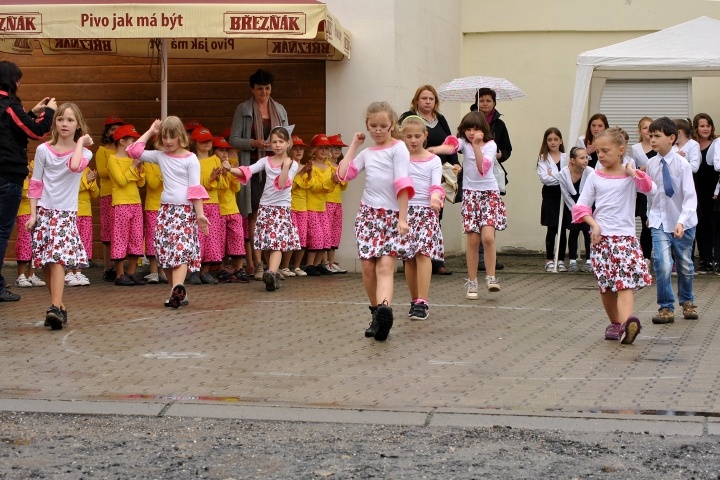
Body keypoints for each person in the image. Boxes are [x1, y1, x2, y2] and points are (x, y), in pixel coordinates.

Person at [336, 101, 414, 342]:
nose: (378, 130)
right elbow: (342, 175)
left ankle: (385, 308)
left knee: (385, 267)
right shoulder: (366, 153)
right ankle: (377, 315)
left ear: (392, 124)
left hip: (391, 216)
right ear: (367, 127)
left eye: (383, 125)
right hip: (368, 216)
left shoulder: (398, 148)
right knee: (368, 268)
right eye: (373, 126)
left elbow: (402, 183)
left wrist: (402, 218)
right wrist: (354, 146)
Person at [571, 127, 653, 344]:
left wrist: (633, 173)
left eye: (606, 151)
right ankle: (615, 322)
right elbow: (581, 208)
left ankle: (627, 325)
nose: (601, 155)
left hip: (625, 239)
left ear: (621, 150)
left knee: (624, 284)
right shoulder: (595, 177)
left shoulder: (629, 177)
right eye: (598, 152)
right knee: (606, 286)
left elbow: (650, 188)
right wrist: (594, 226)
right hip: (602, 239)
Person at [126, 117, 210, 309]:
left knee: (180, 251)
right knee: (163, 253)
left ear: (181, 136)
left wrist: (199, 214)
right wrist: (150, 130)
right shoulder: (159, 156)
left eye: (172, 136)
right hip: (165, 211)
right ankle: (178, 293)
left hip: (184, 211)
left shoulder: (191, 159)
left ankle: (178, 287)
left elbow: (195, 187)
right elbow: (133, 151)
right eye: (164, 136)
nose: (168, 141)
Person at [26, 102, 93, 329]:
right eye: (61, 119)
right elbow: (35, 183)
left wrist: (81, 142)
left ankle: (54, 308)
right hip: (44, 211)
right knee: (45, 261)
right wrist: (33, 214)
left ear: (78, 125)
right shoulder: (44, 149)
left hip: (65, 214)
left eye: (70, 120)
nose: (65, 124)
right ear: (55, 122)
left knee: (56, 258)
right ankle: (59, 306)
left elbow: (75, 167)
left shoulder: (85, 152)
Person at [430, 111, 507, 299]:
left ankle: (490, 277)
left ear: (483, 130)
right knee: (472, 240)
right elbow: (450, 148)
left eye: (476, 129)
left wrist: (476, 146)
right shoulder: (463, 142)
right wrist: (431, 150)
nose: (472, 133)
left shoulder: (490, 145)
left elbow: (483, 168)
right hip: (470, 194)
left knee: (488, 237)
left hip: (489, 194)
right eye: (468, 129)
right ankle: (472, 283)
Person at [0, 60, 55, 302]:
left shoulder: (9, 107)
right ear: (11, 80)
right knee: (2, 232)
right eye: (18, 79)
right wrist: (50, 111)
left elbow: (17, 125)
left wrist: (31, 112)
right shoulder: (9, 105)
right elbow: (36, 131)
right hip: (8, 175)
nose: (20, 83)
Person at [229, 69, 289, 281]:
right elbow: (233, 139)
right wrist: (253, 143)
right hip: (254, 165)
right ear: (252, 89)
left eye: (267, 88)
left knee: (275, 215)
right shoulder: (243, 109)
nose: (264, 92)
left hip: (275, 166)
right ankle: (257, 264)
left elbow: (286, 136)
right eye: (260, 89)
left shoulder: (279, 109)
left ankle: (273, 265)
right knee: (255, 213)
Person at [226, 126, 300, 292]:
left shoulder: (292, 164)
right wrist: (230, 169)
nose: (277, 145)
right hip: (266, 208)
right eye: (274, 142)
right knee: (267, 243)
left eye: (281, 141)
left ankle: (272, 272)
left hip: (281, 209)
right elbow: (248, 170)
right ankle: (271, 274)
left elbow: (282, 184)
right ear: (269, 144)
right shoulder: (265, 161)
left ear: (288, 143)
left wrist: (286, 166)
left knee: (277, 244)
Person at [400, 85, 458, 275]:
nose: (427, 101)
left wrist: (455, 163)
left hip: (437, 171)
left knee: (435, 214)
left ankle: (436, 259)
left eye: (431, 99)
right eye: (424, 98)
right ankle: (410, 257)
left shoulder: (440, 119)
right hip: (412, 173)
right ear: (417, 100)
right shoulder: (408, 118)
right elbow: (400, 142)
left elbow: (450, 143)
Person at [646, 117, 699, 324]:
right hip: (659, 221)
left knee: (685, 265)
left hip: (682, 222)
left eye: (657, 136)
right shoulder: (651, 164)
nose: (652, 140)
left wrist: (682, 221)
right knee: (662, 264)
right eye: (650, 136)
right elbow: (652, 194)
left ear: (671, 138)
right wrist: (651, 215)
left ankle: (687, 301)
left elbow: (689, 196)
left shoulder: (682, 164)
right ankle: (665, 307)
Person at [399, 116, 445, 321]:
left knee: (423, 255)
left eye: (417, 136)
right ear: (402, 137)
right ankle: (414, 299)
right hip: (404, 211)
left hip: (426, 212)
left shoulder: (433, 160)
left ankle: (423, 301)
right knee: (409, 258)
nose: (413, 140)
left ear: (425, 136)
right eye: (408, 136)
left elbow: (436, 185)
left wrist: (436, 198)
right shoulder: (399, 158)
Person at [470, 88, 511, 271]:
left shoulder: (499, 124)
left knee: (489, 217)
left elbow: (508, 149)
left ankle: (488, 256)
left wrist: (500, 154)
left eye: (488, 100)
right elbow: (461, 146)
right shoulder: (470, 121)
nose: (485, 103)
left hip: (492, 174)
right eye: (482, 100)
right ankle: (477, 257)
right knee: (475, 219)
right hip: (474, 176)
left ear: (494, 103)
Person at [107, 124, 147, 287]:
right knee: (120, 237)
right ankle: (119, 273)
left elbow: (141, 182)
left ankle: (131, 272)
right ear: (122, 141)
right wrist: (133, 167)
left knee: (136, 237)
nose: (134, 142)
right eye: (132, 139)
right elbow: (121, 181)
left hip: (135, 202)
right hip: (121, 203)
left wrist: (138, 168)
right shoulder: (113, 159)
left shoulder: (133, 159)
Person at [190, 127, 224, 285]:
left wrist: (215, 180)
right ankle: (194, 272)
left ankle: (205, 271)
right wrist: (209, 180)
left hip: (214, 203)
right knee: (196, 239)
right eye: (203, 141)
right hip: (198, 205)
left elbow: (221, 184)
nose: (207, 143)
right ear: (195, 142)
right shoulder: (191, 159)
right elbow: (193, 185)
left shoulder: (216, 160)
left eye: (209, 140)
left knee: (211, 238)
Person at [95, 115, 125, 282]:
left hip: (122, 196)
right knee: (108, 233)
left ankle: (121, 265)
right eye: (112, 129)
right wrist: (118, 167)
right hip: (108, 195)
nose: (115, 132)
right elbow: (102, 172)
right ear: (107, 132)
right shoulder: (102, 151)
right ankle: (108, 267)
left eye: (118, 129)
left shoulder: (125, 149)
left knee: (120, 232)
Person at [214, 135, 248, 283]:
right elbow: (219, 188)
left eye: (226, 150)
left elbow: (236, 187)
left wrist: (231, 172)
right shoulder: (213, 168)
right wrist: (220, 175)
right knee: (220, 242)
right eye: (220, 150)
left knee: (237, 239)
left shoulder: (231, 167)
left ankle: (238, 269)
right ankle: (222, 269)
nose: (224, 153)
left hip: (233, 210)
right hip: (219, 210)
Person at [536, 127, 568, 272]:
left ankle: (561, 259)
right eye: (550, 140)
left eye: (556, 139)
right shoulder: (543, 158)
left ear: (560, 141)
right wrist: (562, 176)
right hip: (550, 195)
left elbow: (571, 177)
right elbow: (546, 179)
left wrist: (555, 175)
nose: (553, 142)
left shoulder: (567, 157)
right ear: (546, 141)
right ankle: (549, 259)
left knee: (562, 229)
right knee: (552, 228)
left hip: (564, 194)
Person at [303, 134, 335, 276]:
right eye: (320, 148)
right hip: (311, 206)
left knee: (326, 237)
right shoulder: (310, 166)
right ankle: (309, 265)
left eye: (326, 148)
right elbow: (314, 187)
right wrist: (330, 183)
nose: (323, 151)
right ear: (314, 150)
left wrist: (331, 183)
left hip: (323, 206)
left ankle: (317, 265)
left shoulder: (328, 166)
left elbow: (330, 188)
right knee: (316, 237)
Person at [558, 147, 593, 273]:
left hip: (587, 205)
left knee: (587, 231)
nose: (585, 160)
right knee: (573, 231)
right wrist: (575, 209)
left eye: (586, 157)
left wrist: (584, 208)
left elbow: (592, 193)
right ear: (573, 160)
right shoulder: (563, 173)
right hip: (571, 206)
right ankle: (572, 260)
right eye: (582, 158)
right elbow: (565, 194)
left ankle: (589, 261)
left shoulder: (590, 172)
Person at [693, 114, 719, 274]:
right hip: (696, 190)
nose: (705, 129)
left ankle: (715, 259)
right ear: (696, 128)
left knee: (714, 225)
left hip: (713, 192)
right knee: (700, 226)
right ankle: (704, 259)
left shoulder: (716, 144)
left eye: (708, 125)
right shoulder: (692, 145)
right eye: (702, 126)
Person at [13, 160, 45, 288]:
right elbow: (25, 193)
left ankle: (31, 275)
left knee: (36, 244)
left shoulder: (34, 178)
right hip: (24, 215)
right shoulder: (20, 180)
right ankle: (20, 276)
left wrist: (34, 174)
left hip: (37, 214)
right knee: (25, 244)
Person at [65, 164, 98, 286]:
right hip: (73, 211)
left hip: (86, 212)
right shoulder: (69, 168)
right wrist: (86, 180)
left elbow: (95, 194)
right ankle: (68, 272)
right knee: (70, 242)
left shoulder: (87, 169)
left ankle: (78, 272)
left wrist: (92, 182)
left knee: (83, 242)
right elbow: (70, 188)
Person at [142, 137, 168, 285]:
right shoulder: (150, 162)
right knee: (153, 238)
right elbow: (152, 184)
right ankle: (153, 272)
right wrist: (163, 173)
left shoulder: (170, 160)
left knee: (165, 238)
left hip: (166, 205)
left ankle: (163, 271)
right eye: (160, 144)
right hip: (152, 206)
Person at [630, 117, 655, 262]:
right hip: (642, 191)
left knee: (654, 223)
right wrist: (642, 169)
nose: (648, 131)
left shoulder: (658, 145)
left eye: (651, 127)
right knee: (646, 223)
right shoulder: (635, 148)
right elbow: (633, 169)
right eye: (645, 128)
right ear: (640, 130)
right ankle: (645, 257)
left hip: (655, 189)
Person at [286, 135, 311, 277]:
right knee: (291, 238)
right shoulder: (288, 166)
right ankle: (284, 266)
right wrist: (302, 172)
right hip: (291, 207)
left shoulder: (305, 166)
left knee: (302, 239)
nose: (299, 151)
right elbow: (290, 186)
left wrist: (309, 173)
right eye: (295, 148)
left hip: (304, 207)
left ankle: (296, 266)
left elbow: (309, 186)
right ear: (289, 150)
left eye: (301, 148)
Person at [325, 133, 349, 274]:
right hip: (326, 201)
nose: (337, 150)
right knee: (325, 233)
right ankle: (323, 262)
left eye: (339, 148)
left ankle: (331, 262)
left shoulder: (341, 165)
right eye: (334, 147)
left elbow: (344, 185)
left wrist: (340, 179)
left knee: (335, 233)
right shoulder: (325, 164)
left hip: (337, 202)